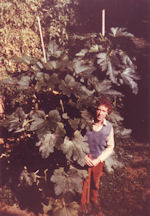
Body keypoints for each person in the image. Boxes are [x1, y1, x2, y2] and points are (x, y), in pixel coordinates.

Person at [81, 96, 115, 208]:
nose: (100, 113)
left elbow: (110, 147)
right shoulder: (87, 124)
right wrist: (83, 157)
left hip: (98, 160)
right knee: (83, 182)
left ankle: (93, 200)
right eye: (99, 109)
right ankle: (82, 203)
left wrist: (98, 160)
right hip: (84, 158)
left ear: (107, 113)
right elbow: (78, 141)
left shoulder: (109, 127)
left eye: (103, 111)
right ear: (96, 110)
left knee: (95, 182)